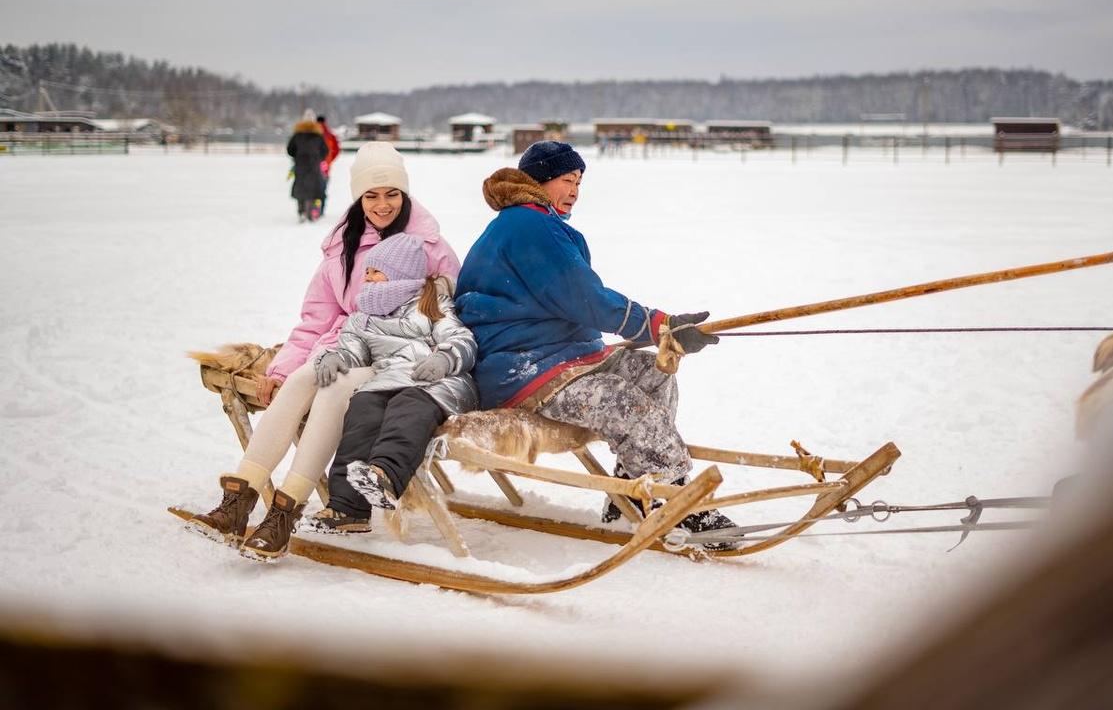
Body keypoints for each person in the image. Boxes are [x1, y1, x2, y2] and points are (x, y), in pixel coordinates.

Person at [187, 142, 461, 559]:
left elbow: (450, 314)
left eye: (392, 194)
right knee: (303, 378)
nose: (382, 205)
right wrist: (281, 369)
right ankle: (237, 503)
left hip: (393, 363)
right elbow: (317, 317)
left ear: (405, 194)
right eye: (371, 195)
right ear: (358, 197)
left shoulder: (430, 247)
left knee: (334, 390)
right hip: (346, 343)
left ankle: (285, 511)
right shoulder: (343, 246)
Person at [454, 141, 736, 538]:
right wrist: (659, 325)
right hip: (527, 367)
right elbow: (583, 298)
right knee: (625, 404)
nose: (574, 191)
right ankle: (676, 500)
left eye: (579, 183)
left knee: (653, 374)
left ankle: (632, 493)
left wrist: (663, 329)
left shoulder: (532, 223)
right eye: (567, 180)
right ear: (539, 181)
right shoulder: (528, 226)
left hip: (562, 356)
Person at [303, 233, 476, 535]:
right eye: (367, 272)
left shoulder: (432, 302)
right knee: (362, 409)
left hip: (439, 383)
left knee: (407, 408)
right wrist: (333, 357)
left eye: (376, 271)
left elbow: (460, 337)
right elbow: (353, 350)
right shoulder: (361, 317)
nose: (367, 278)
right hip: (387, 379)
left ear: (401, 274)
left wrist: (445, 359)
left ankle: (384, 475)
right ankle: (347, 507)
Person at [287, 109, 328, 222]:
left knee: (301, 187)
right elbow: (325, 151)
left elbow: (290, 150)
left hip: (300, 165)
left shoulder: (297, 135)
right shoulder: (318, 136)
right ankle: (310, 211)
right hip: (314, 165)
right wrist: (318, 158)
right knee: (313, 188)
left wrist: (297, 157)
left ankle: (301, 211)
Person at [316, 114, 341, 218]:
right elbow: (337, 150)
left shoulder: (313, 133)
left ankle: (313, 210)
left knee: (312, 187)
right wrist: (329, 160)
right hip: (325, 165)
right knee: (323, 188)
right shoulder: (330, 134)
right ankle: (320, 210)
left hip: (312, 165)